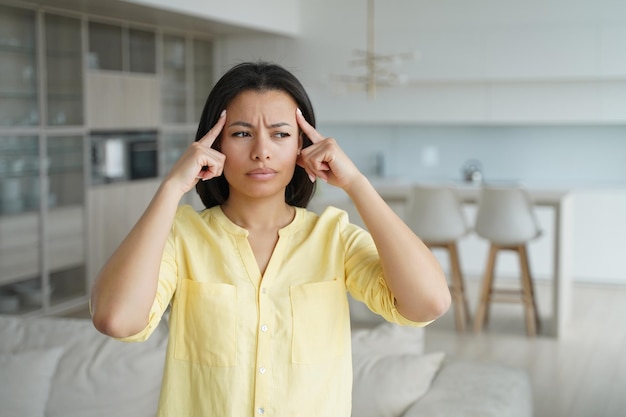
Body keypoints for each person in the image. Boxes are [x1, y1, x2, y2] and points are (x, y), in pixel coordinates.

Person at [90, 61, 451, 417]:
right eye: (242, 133)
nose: (261, 151)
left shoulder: (334, 238)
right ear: (213, 145)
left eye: (280, 134)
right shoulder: (182, 237)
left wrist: (356, 184)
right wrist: (171, 188)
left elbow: (428, 303)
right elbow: (117, 320)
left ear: (302, 146)